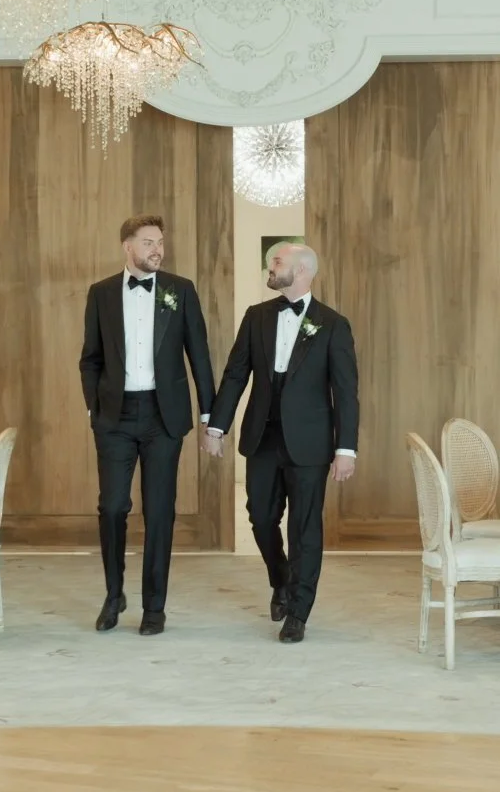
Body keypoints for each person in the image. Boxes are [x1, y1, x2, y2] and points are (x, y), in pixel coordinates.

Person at [203, 243, 359, 643]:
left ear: (302, 270)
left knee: (305, 527)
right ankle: (281, 578)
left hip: (310, 443)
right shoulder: (256, 317)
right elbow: (235, 374)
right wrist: (217, 427)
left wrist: (346, 448)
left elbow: (345, 392)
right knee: (260, 516)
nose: (270, 266)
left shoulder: (333, 324)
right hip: (263, 436)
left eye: (277, 261)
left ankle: (298, 612)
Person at [80, 215, 215, 635]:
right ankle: (113, 594)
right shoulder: (101, 293)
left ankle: (154, 607)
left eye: (160, 242)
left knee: (159, 512)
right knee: (112, 507)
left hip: (163, 416)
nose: (158, 249)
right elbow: (90, 359)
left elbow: (199, 355)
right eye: (148, 242)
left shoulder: (181, 289)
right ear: (127, 246)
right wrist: (94, 408)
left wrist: (209, 416)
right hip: (115, 417)